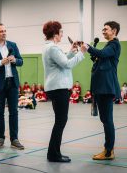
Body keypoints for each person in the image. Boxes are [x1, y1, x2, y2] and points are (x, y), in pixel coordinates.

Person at [42, 20, 86, 162]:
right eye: (61, 32)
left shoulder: (50, 47)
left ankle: (55, 153)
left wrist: (72, 52)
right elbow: (66, 65)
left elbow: (62, 61)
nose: (62, 34)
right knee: (61, 121)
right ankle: (53, 154)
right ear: (55, 34)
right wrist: (81, 53)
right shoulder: (53, 48)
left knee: (60, 121)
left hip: (56, 87)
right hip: (59, 88)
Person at [85, 21, 121, 160]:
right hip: (102, 88)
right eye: (103, 29)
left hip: (106, 87)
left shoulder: (114, 44)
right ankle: (108, 149)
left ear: (114, 31)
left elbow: (101, 53)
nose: (103, 31)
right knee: (105, 119)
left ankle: (108, 151)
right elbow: (101, 56)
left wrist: (87, 47)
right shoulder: (109, 45)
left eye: (106, 29)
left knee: (107, 120)